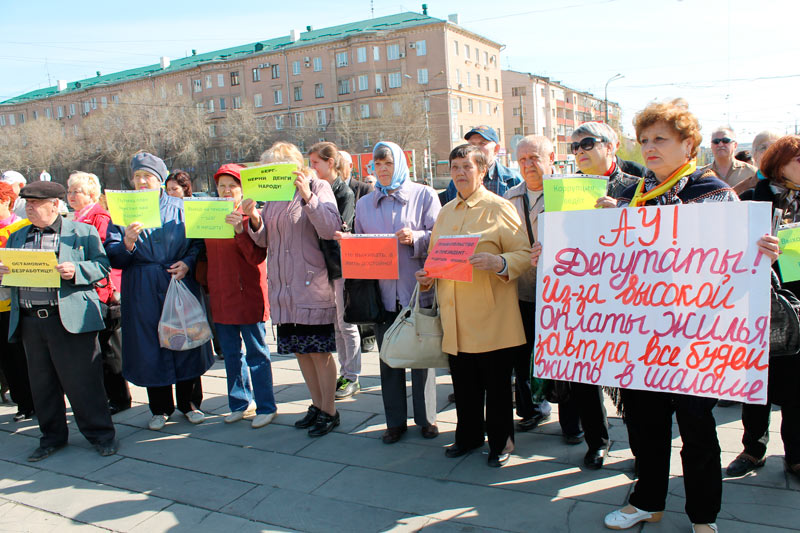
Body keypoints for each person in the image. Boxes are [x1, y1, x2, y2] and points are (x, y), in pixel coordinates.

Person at [584, 99, 779, 532]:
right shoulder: (629, 194)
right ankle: (647, 501)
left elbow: (733, 262)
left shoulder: (712, 193)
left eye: (661, 139)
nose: (649, 147)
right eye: (645, 140)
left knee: (696, 429)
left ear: (688, 144)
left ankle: (703, 516)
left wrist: (762, 252)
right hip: (639, 334)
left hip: (695, 336)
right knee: (645, 424)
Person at [416, 144, 530, 467]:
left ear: (482, 171)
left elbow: (523, 254)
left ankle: (500, 444)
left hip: (491, 317)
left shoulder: (499, 207)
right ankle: (467, 437)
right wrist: (427, 276)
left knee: (496, 389)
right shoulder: (446, 210)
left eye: (467, 167)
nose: (460, 173)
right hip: (454, 318)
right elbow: (436, 259)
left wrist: (499, 262)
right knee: (463, 387)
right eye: (454, 168)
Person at [0, 181, 117, 461]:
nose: (29, 208)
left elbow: (102, 267)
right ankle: (51, 436)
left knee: (84, 382)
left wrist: (75, 270)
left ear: (54, 205)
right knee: (42, 384)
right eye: (26, 204)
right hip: (31, 321)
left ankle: (101, 435)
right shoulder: (18, 236)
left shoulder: (81, 231)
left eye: (35, 204)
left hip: (69, 320)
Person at [105, 152, 213, 431]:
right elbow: (113, 255)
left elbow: (198, 243)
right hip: (141, 285)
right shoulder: (122, 212)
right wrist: (127, 243)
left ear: (160, 180)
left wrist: (188, 264)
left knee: (185, 337)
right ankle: (159, 408)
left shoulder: (181, 207)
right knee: (150, 344)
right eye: (137, 176)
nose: (142, 181)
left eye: (148, 176)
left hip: (178, 281)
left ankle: (190, 403)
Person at [242, 142, 342, 437]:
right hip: (284, 289)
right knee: (301, 351)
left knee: (319, 352)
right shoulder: (272, 196)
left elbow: (329, 228)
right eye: (269, 165)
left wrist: (308, 196)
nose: (274, 171)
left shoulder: (317, 185)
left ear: (296, 165)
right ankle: (316, 405)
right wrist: (255, 219)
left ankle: (330, 410)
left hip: (311, 285)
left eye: (279, 165)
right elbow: (264, 242)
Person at [349, 141, 440, 444]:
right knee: (389, 358)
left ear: (400, 163)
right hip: (383, 294)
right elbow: (360, 246)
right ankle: (395, 422)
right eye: (378, 164)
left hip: (417, 290)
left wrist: (417, 238)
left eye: (388, 163)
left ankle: (427, 418)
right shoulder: (364, 204)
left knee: (422, 357)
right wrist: (349, 244)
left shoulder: (424, 195)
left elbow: (440, 237)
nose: (383, 169)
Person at [724, 135, 800, 482]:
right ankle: (753, 448)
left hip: (797, 304)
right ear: (779, 163)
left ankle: (796, 455)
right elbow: (726, 248)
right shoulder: (754, 198)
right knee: (755, 384)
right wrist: (758, 250)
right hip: (755, 304)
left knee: (797, 384)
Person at [206, 163, 277, 428]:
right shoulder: (210, 216)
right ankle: (239, 403)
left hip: (248, 296)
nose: (225, 191)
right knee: (231, 354)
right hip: (221, 295)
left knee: (257, 353)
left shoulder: (251, 218)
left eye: (231, 186)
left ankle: (266, 406)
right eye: (221, 186)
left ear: (242, 190)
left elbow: (257, 256)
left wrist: (239, 232)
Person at [67, 172, 131, 415]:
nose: (72, 196)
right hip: (84, 288)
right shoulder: (76, 217)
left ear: (92, 194)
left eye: (77, 192)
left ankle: (120, 397)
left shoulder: (99, 217)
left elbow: (105, 255)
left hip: (103, 289)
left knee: (109, 348)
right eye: (70, 191)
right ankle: (105, 394)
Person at [503, 136, 554, 434]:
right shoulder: (510, 196)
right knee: (521, 355)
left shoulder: (566, 193)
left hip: (561, 291)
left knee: (562, 356)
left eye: (534, 158)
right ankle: (531, 409)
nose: (528, 165)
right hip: (523, 288)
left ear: (550, 158)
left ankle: (572, 422)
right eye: (522, 160)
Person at [308, 142, 361, 400]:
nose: (312, 168)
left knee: (346, 323)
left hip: (340, 265)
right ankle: (345, 372)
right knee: (335, 325)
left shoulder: (344, 192)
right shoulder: (316, 188)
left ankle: (352, 376)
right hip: (322, 265)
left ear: (330, 163)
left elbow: (342, 229)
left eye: (316, 162)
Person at [0, 182, 34, 422]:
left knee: (22, 357)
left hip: (15, 303)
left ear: (6, 201)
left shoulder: (20, 228)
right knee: (6, 359)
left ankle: (33, 401)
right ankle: (22, 402)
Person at [442, 126, 522, 203]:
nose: (476, 148)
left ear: (496, 149)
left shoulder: (512, 179)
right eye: (472, 144)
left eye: (482, 143)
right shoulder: (457, 181)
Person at [571, 122, 639, 198]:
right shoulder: (567, 188)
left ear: (609, 148)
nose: (580, 151)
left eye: (587, 144)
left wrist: (621, 207)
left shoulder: (636, 188)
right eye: (575, 147)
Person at [735, 130, 782, 198]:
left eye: (774, 147)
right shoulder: (740, 190)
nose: (769, 151)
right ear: (754, 155)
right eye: (763, 148)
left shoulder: (794, 185)